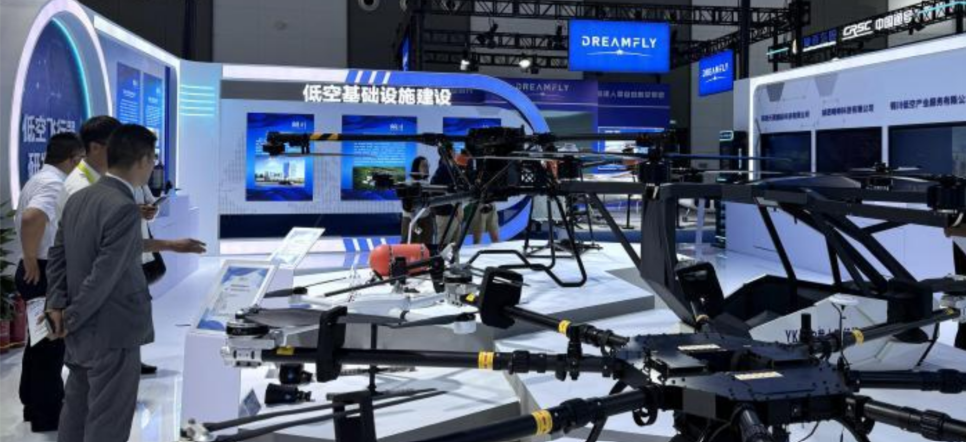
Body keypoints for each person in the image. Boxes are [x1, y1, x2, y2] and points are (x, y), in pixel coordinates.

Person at [45, 124, 159, 442]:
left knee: (76, 413)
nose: (153, 166)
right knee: (108, 421)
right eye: (153, 159)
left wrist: (57, 307)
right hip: (112, 330)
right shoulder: (123, 208)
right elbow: (104, 276)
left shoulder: (80, 198)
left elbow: (57, 257)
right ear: (142, 160)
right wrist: (71, 318)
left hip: (80, 330)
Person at [70, 116, 205, 375]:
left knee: (93, 383)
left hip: (100, 312)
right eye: (151, 158)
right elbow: (105, 259)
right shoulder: (85, 189)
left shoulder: (102, 188)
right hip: (103, 311)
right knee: (109, 386)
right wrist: (73, 315)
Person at [14, 132, 85, 432]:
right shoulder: (55, 183)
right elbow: (32, 218)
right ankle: (47, 413)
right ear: (73, 158)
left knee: (39, 342)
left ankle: (33, 405)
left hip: (38, 269)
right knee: (50, 345)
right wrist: (31, 258)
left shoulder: (40, 178)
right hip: (42, 271)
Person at [401, 156, 434, 245]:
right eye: (423, 166)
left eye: (427, 165)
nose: (426, 168)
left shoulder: (427, 182)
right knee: (410, 244)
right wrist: (413, 221)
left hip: (426, 218)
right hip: (411, 219)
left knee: (427, 244)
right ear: (416, 167)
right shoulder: (409, 183)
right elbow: (407, 205)